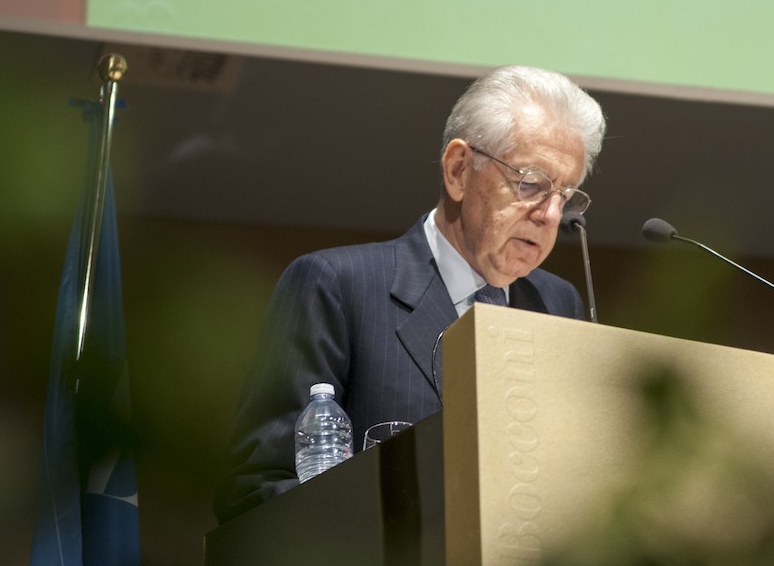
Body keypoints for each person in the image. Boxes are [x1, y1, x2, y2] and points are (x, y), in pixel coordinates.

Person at [213, 64, 606, 522]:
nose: (551, 216)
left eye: (567, 194)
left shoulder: (559, 306)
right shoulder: (337, 285)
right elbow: (259, 486)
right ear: (459, 170)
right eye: (533, 184)